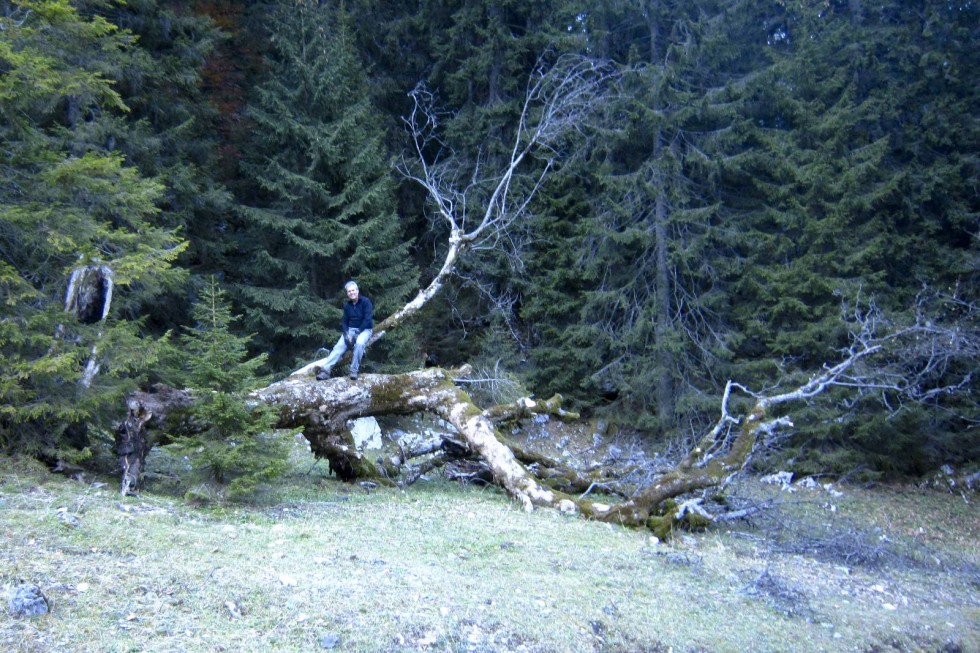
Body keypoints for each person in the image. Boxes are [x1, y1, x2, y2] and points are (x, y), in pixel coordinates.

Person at [316, 280, 373, 380]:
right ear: (347, 293)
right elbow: (344, 322)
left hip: (365, 330)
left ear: (357, 290)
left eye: (353, 290)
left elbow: (368, 320)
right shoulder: (347, 306)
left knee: (359, 343)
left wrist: (357, 333)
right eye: (349, 291)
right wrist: (346, 334)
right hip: (350, 330)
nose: (351, 293)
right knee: (338, 347)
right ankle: (325, 371)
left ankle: (354, 371)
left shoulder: (366, 302)